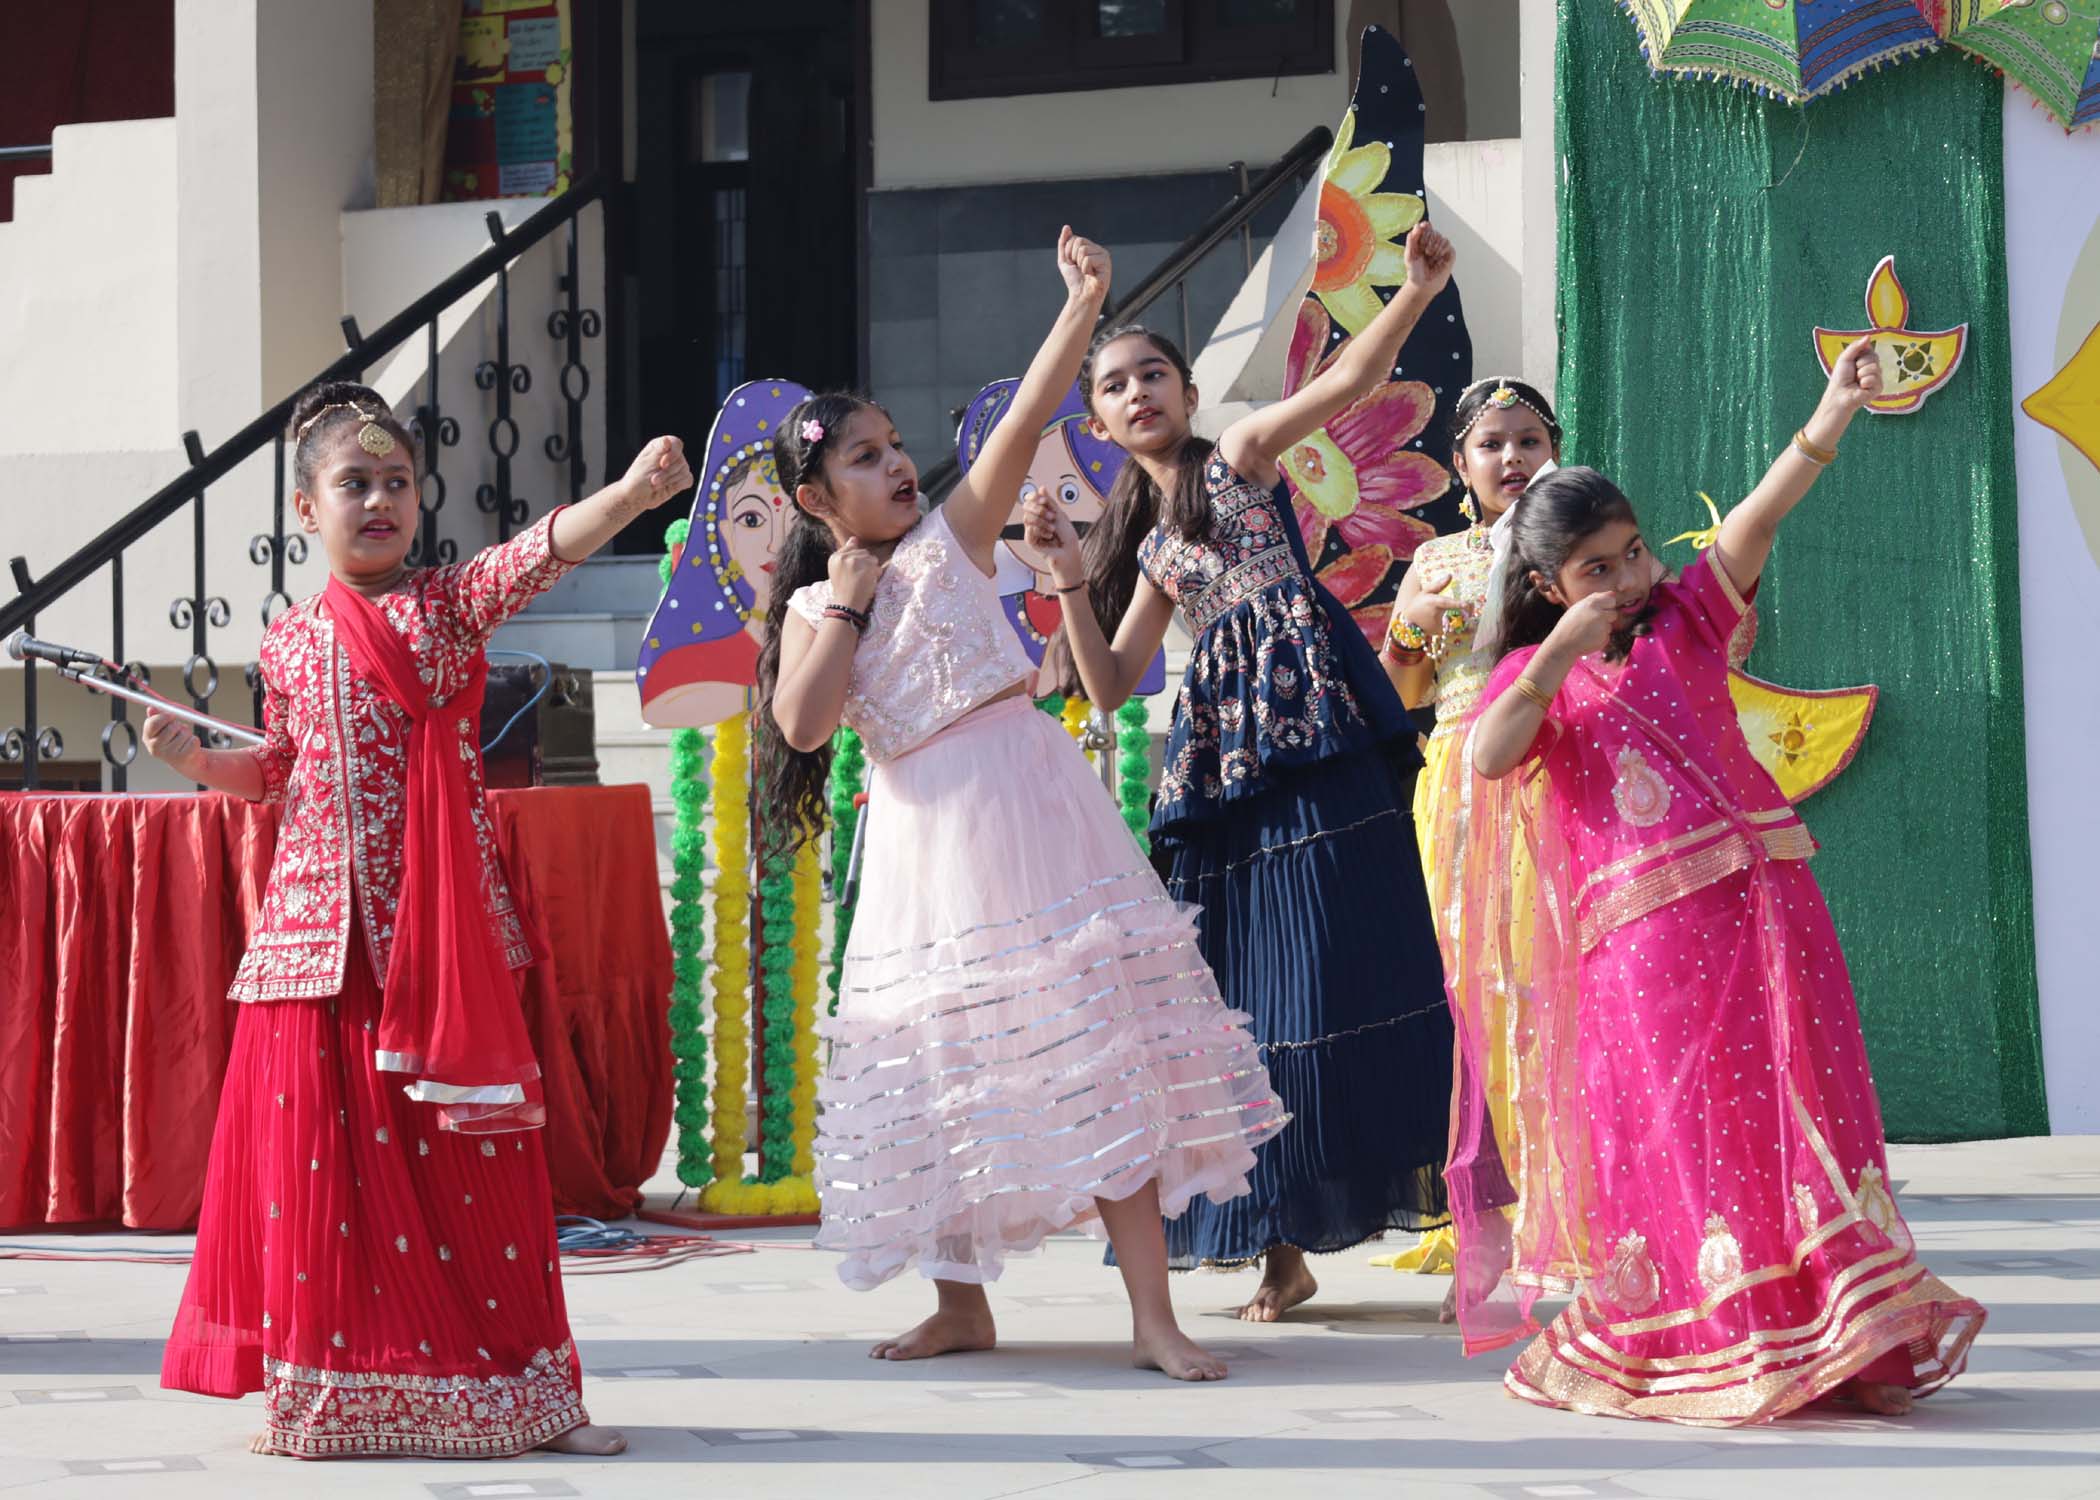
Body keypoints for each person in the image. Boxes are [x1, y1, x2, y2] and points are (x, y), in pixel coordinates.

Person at [759, 230, 1286, 1382]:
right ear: (814, 495)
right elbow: (802, 727)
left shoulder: (949, 541)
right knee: (945, 1054)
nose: (897, 466)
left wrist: (1083, 305)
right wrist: (844, 604)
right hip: (923, 837)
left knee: (1097, 1042)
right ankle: (963, 1304)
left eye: (896, 446)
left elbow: (1025, 413)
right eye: (864, 457)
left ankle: (1151, 1315)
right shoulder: (814, 602)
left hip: (1032, 804)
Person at [151, 379, 693, 1457]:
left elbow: (537, 552)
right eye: (354, 483)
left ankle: (524, 1399)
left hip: (437, 947)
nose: (380, 500)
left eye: (398, 481)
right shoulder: (290, 645)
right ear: (307, 511)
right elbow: (286, 775)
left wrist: (630, 496)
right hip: (312, 948)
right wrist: (203, 764)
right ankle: (328, 1398)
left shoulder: (443, 607)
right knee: (318, 1186)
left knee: (472, 1176)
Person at [1453, 338, 1985, 1423]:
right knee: (1691, 1126)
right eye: (1597, 567)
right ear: (1551, 584)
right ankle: (1723, 1335)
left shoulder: (1691, 615)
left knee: (1801, 1113)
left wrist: (1831, 412)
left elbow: (1760, 513)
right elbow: (1489, 755)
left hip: (1765, 905)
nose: (1628, 576)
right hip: (1646, 949)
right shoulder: (1533, 672)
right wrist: (1561, 645)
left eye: (1634, 552)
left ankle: (1845, 1332)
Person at [1028, 221, 1459, 1322]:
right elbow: (1115, 680)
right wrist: (1071, 580)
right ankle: (1280, 1249)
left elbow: (1356, 378)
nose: (1139, 394)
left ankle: (1464, 1199)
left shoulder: (1242, 458)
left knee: (1352, 964)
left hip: (1312, 736)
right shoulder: (1153, 545)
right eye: (1117, 385)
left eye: (1154, 375)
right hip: (1225, 771)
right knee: (1244, 997)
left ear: (1182, 388)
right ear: (1098, 420)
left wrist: (1412, 290)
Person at [1375, 377, 1561, 1300]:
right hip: (1454, 788)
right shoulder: (1435, 560)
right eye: (1491, 444)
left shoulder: (1579, 551)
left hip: (1559, 779)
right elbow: (1399, 690)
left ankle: (1574, 1214)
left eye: (1529, 439)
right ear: (1460, 464)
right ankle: (1478, 1228)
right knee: (1467, 999)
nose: (1511, 459)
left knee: (1556, 988)